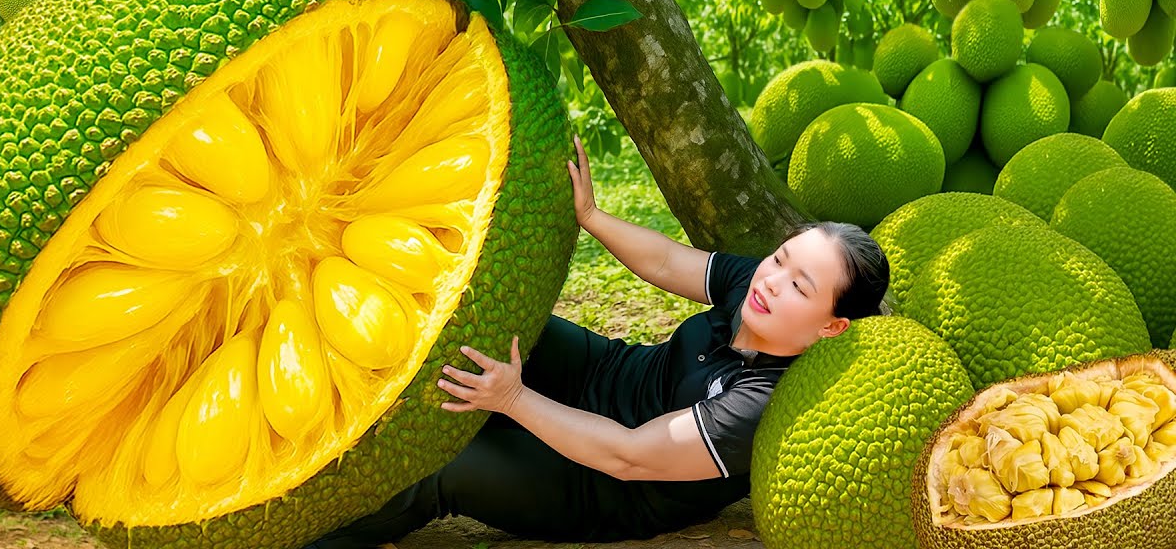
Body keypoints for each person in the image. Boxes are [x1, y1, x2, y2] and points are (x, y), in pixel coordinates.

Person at [304, 136, 889, 549]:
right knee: (488, 324)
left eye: (799, 285)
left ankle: (308, 536)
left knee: (447, 468)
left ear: (830, 326)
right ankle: (324, 393)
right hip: (605, 374)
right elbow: (665, 259)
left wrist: (512, 401)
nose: (772, 280)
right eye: (780, 258)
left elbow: (628, 455)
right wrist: (590, 215)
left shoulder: (756, 404)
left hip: (603, 484)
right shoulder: (752, 285)